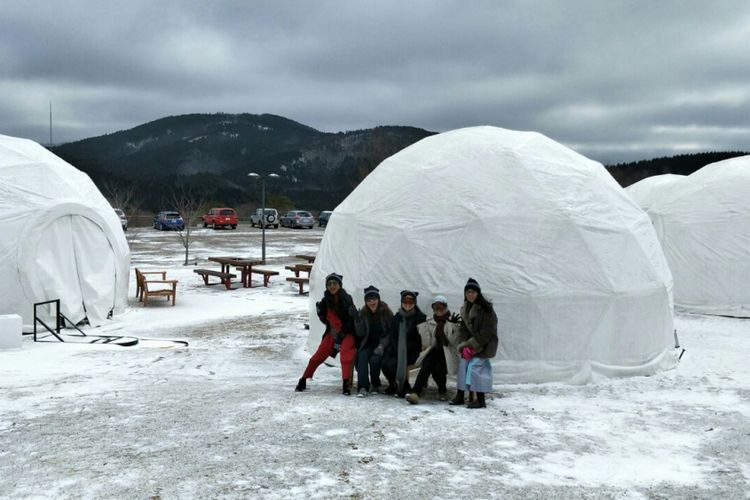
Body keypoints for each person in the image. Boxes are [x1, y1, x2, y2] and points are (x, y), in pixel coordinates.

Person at [295, 273, 358, 395]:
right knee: (318, 355)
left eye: (335, 283)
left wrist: (342, 333)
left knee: (346, 355)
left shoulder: (347, 298)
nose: (332, 286)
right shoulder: (325, 300)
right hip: (333, 333)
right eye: (329, 284)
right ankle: (303, 379)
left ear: (340, 285)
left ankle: (346, 383)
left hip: (347, 333)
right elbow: (326, 319)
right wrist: (321, 314)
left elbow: (351, 320)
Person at [451, 278, 498, 409]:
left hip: (485, 344)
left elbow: (487, 332)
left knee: (475, 366)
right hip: (472, 344)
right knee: (463, 364)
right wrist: (464, 345)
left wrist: (472, 347)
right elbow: (464, 330)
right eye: (468, 292)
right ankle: (460, 395)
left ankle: (481, 400)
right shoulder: (466, 309)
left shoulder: (486, 310)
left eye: (473, 292)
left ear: (478, 293)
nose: (470, 295)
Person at [405, 295, 461, 404]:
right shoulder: (430, 322)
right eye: (436, 307)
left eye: (441, 307)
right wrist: (422, 329)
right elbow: (427, 343)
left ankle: (442, 389)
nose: (439, 310)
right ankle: (415, 393)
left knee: (438, 369)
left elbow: (454, 342)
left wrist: (454, 326)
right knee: (426, 365)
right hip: (434, 350)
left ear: (446, 307)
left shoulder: (452, 320)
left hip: (448, 353)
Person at [381, 290, 426, 398]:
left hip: (413, 351)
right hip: (398, 349)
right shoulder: (397, 317)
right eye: (405, 301)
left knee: (392, 364)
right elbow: (393, 336)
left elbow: (421, 340)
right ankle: (393, 384)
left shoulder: (420, 318)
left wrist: (406, 348)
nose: (407, 304)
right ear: (401, 302)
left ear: (414, 303)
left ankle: (404, 387)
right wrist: (397, 347)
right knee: (384, 363)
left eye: (410, 302)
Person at [353, 285, 394, 397]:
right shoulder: (363, 313)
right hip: (368, 343)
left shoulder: (386, 312)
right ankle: (363, 386)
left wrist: (382, 345)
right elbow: (360, 334)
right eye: (369, 300)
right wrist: (357, 320)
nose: (372, 302)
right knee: (361, 357)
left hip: (382, 344)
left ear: (378, 299)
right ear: (366, 302)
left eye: (374, 299)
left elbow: (390, 333)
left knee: (375, 359)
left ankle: (375, 384)